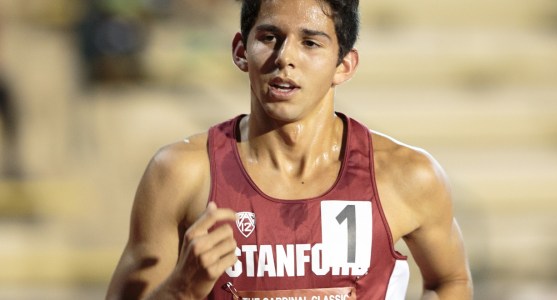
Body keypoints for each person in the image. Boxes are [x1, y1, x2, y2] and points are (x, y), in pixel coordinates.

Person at [106, 0, 473, 299]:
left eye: (310, 42)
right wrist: (182, 290)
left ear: (343, 65)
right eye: (269, 37)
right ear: (240, 51)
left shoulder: (406, 175)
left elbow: (450, 281)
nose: (285, 58)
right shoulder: (180, 173)